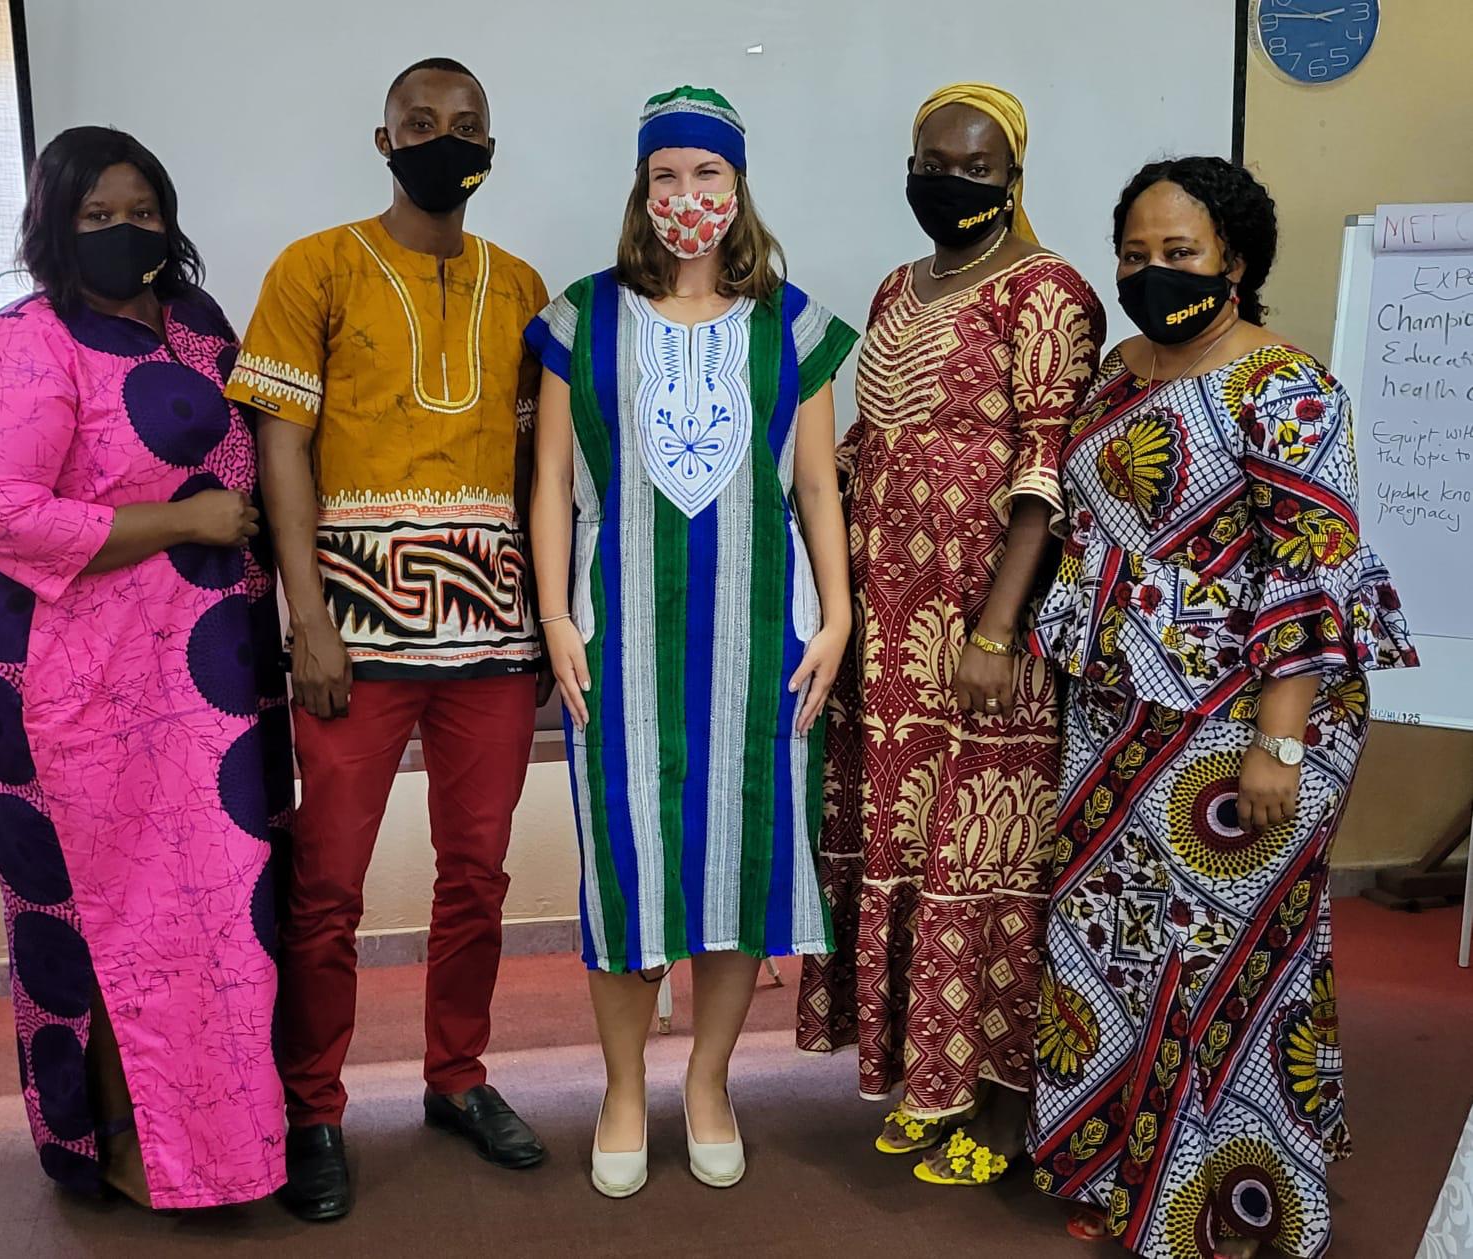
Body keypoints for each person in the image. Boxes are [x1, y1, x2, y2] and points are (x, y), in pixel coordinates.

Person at [1025, 157, 1418, 1259]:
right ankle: (1124, 1166)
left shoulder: (1288, 389)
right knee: (1120, 949)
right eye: (1137, 253)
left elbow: (1309, 572)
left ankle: (1226, 1198)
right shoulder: (1115, 375)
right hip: (1119, 711)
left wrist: (1279, 741)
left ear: (1237, 261)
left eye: (1181, 253)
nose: (1154, 272)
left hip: (1250, 717)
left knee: (1224, 958)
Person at [0, 126, 291, 1210]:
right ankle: (122, 1142)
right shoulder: (26, 340)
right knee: (113, 913)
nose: (123, 231)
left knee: (225, 914)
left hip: (213, 670)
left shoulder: (200, 324)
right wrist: (174, 518)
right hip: (73, 677)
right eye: (96, 215)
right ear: (54, 224)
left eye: (141, 209)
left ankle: (231, 1149)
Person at [226, 58, 550, 1222]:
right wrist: (304, 616)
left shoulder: (522, 287)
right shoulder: (314, 268)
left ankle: (456, 1078)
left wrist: (546, 624)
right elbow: (281, 448)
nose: (443, 141)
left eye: (466, 127)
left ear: (492, 149)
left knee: (478, 876)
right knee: (326, 890)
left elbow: (539, 470)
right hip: (349, 638)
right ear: (383, 138)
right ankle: (313, 1104)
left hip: (492, 636)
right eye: (422, 124)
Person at [527, 85, 858, 1199]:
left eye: (707, 175)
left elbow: (817, 484)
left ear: (739, 187)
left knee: (740, 864)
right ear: (641, 188)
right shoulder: (580, 319)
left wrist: (842, 612)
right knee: (626, 873)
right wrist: (557, 615)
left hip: (764, 645)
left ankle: (709, 1081)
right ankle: (624, 1085)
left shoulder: (795, 326)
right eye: (666, 175)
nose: (687, 196)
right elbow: (551, 488)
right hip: (615, 646)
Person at [795, 82, 1104, 1187]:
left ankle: (1011, 1108)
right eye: (933, 161)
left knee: (991, 861)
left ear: (1013, 172)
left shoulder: (1050, 289)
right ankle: (939, 1078)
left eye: (974, 166)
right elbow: (870, 440)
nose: (949, 181)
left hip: (980, 627)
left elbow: (1043, 466)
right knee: (913, 855)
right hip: (884, 624)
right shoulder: (898, 283)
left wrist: (997, 625)